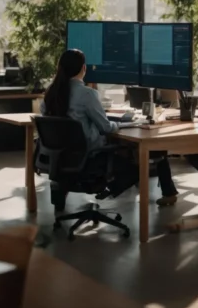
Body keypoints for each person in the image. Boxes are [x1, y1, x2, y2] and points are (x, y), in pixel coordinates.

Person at [42, 49, 178, 203]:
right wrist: (127, 124)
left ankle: (99, 191)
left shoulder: (50, 94)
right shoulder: (87, 94)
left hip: (60, 159)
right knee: (143, 162)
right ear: (83, 68)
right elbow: (106, 128)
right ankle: (111, 188)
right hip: (90, 157)